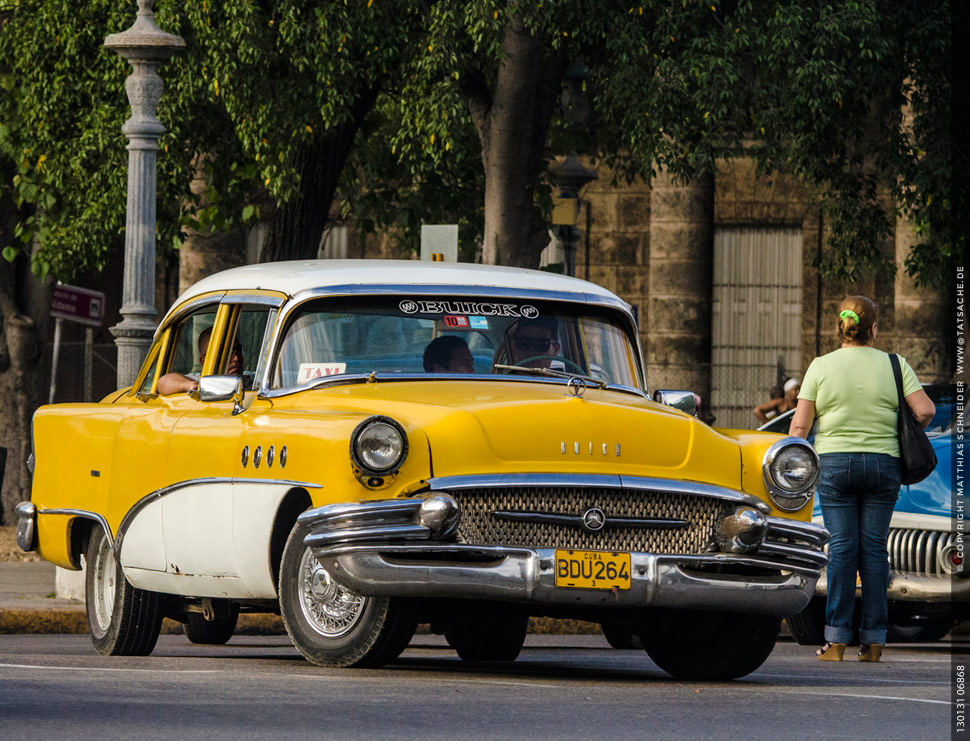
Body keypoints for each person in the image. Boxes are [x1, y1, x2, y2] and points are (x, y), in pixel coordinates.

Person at [788, 295, 935, 663]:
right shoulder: (893, 364)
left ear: (841, 327)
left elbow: (800, 425)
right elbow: (926, 410)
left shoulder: (820, 366)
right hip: (883, 465)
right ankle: (873, 641)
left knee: (840, 549)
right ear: (873, 328)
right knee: (873, 551)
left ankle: (836, 640)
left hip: (836, 464)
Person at [157, 328, 244, 395]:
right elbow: (163, 382)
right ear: (204, 361)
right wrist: (190, 386)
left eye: (238, 350)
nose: (236, 358)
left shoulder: (250, 379)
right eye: (227, 353)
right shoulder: (202, 381)